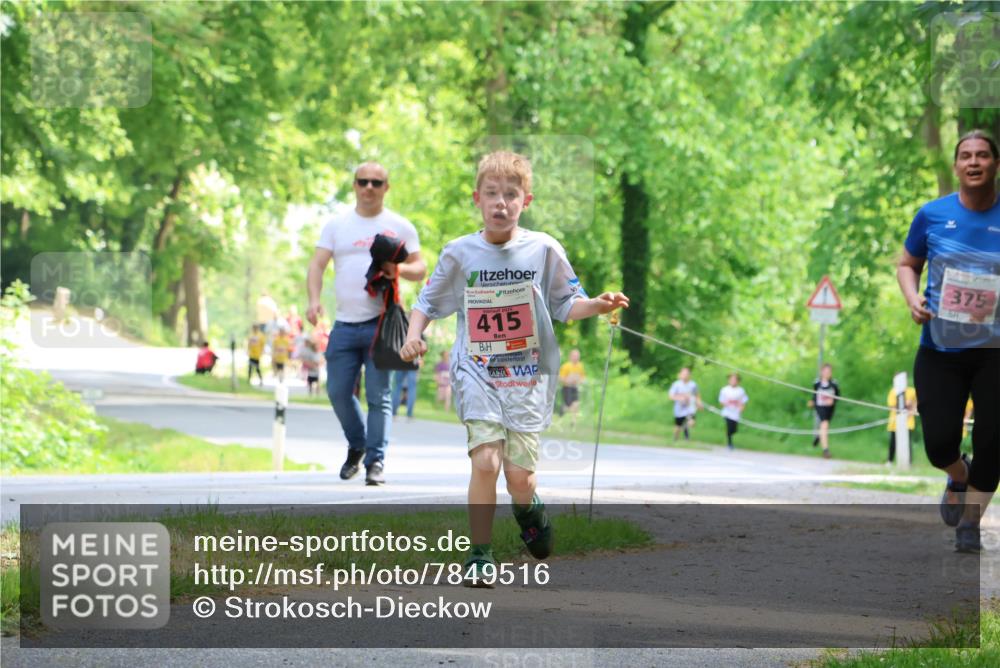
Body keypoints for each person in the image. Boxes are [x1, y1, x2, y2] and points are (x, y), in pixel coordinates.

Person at [399, 151, 629, 586]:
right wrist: (415, 335)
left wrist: (597, 305)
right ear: (477, 199)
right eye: (491, 194)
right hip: (477, 370)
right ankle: (481, 554)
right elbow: (426, 303)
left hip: (526, 376)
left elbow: (566, 303)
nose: (500, 203)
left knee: (519, 478)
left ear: (527, 200)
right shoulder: (459, 252)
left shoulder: (543, 249)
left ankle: (528, 509)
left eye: (511, 195)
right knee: (485, 460)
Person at [896, 130, 1000, 553]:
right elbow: (907, 264)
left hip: (995, 353)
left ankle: (970, 524)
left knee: (994, 443)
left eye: (982, 155)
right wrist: (912, 298)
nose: (973, 162)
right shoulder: (933, 215)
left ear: (995, 164)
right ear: (956, 166)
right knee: (939, 443)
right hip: (940, 349)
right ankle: (958, 475)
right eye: (965, 156)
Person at [306, 162, 425, 486]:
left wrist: (397, 270)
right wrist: (313, 300)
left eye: (376, 182)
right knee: (337, 391)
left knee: (379, 395)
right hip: (344, 324)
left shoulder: (399, 225)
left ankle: (375, 462)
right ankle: (357, 444)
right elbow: (317, 265)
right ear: (355, 185)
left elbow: (421, 267)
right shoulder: (337, 225)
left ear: (386, 187)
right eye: (363, 181)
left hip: (381, 324)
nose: (369, 187)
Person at [808, 363, 841, 459]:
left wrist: (832, 400)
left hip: (829, 408)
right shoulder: (817, 383)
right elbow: (814, 395)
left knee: (824, 427)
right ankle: (825, 450)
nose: (827, 373)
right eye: (825, 371)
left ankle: (819, 436)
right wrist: (812, 402)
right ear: (821, 372)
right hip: (820, 407)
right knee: (824, 424)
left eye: (829, 372)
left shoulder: (834, 383)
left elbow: (838, 397)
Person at [886, 377, 917, 464]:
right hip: (895, 422)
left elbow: (916, 403)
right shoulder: (893, 391)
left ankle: (909, 462)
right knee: (893, 442)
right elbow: (891, 406)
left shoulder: (912, 391)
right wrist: (904, 404)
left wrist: (911, 408)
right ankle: (890, 461)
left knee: (907, 442)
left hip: (908, 422)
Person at [669, 366, 703, 441]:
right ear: (680, 374)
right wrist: (680, 398)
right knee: (678, 427)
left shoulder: (693, 385)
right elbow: (671, 396)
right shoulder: (676, 384)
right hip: (679, 409)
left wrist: (699, 403)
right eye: (683, 373)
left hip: (689, 408)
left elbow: (697, 396)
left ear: (689, 375)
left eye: (686, 374)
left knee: (691, 423)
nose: (685, 375)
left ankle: (686, 437)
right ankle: (675, 438)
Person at [718, 373, 748, 450]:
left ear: (738, 381)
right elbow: (721, 401)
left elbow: (743, 401)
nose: (733, 381)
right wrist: (726, 403)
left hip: (736, 413)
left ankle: (730, 436)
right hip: (727, 412)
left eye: (735, 380)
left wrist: (741, 408)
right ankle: (730, 443)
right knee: (729, 426)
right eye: (731, 380)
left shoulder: (741, 391)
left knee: (734, 429)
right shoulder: (724, 390)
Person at [558, 348, 585, 429]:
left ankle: (573, 422)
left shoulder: (580, 366)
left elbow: (582, 377)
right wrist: (568, 381)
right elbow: (560, 378)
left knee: (576, 404)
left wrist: (580, 381)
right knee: (569, 406)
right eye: (574, 356)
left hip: (575, 388)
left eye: (578, 356)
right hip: (567, 388)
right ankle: (561, 410)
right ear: (570, 356)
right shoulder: (566, 366)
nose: (576, 358)